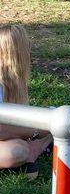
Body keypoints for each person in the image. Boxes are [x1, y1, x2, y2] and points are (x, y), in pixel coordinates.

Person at [0, 26, 52, 179]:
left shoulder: (14, 83)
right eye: (27, 44)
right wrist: (35, 130)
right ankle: (32, 154)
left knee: (52, 117)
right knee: (16, 152)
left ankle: (29, 155)